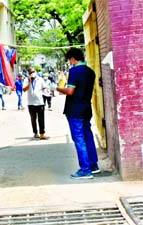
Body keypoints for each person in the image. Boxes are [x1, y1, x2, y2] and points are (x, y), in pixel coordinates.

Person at [56, 48, 99, 179]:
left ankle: (85, 170)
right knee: (88, 137)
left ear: (73, 58)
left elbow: (70, 91)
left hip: (75, 110)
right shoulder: (90, 72)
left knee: (79, 139)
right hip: (86, 108)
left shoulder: (74, 71)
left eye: (70, 60)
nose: (70, 62)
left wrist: (58, 88)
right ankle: (93, 165)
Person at [23, 67, 49, 140]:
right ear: (28, 73)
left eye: (33, 71)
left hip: (40, 102)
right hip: (31, 103)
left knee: (41, 119)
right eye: (30, 72)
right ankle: (35, 133)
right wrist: (29, 82)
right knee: (33, 119)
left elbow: (44, 87)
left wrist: (46, 92)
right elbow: (24, 89)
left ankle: (42, 134)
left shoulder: (40, 79)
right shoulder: (26, 80)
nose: (32, 73)